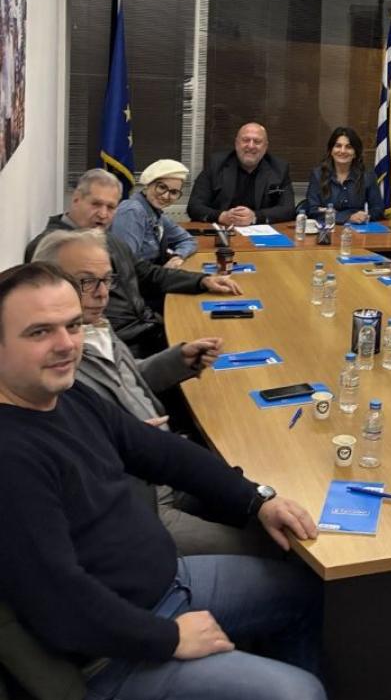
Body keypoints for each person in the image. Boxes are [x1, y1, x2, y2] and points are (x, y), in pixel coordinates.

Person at [0, 262, 333, 700]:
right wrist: (170, 639)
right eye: (39, 332)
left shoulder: (65, 396)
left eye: (72, 325)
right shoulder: (11, 458)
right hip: (108, 658)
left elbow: (160, 452)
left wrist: (257, 500)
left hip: (168, 583)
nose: (66, 344)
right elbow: (59, 604)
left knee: (307, 590)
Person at [32, 229, 277, 558]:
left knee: (268, 503)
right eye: (86, 282)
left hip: (168, 466)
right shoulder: (54, 365)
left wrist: (178, 360)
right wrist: (120, 444)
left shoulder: (96, 327)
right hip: (143, 502)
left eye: (107, 280)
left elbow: (126, 378)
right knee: (270, 548)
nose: (102, 293)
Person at [25, 168, 240, 358]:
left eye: (111, 207)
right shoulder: (50, 249)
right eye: (96, 204)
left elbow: (146, 273)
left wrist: (202, 281)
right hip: (120, 345)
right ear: (76, 200)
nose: (103, 214)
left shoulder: (104, 236)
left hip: (146, 328)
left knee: (224, 339)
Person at [187, 122, 295, 225]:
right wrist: (221, 216)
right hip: (222, 229)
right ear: (236, 143)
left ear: (265, 147)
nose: (251, 146)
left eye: (257, 141)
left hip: (259, 231)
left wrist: (255, 217)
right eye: (245, 140)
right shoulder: (216, 164)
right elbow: (194, 206)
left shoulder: (279, 168)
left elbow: (288, 209)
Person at [110, 158, 198, 267]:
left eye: (174, 192)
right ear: (148, 184)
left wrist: (178, 256)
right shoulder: (131, 210)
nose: (166, 196)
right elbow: (125, 264)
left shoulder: (156, 214)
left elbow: (189, 240)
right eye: (162, 187)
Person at [304, 126, 384, 224]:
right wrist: (348, 217)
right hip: (327, 229)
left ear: (355, 153)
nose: (342, 151)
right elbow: (312, 210)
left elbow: (378, 209)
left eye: (348, 147)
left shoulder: (367, 176)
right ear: (331, 151)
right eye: (338, 146)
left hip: (357, 229)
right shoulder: (318, 175)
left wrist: (364, 216)